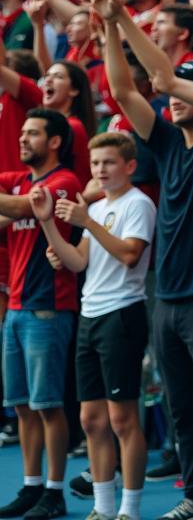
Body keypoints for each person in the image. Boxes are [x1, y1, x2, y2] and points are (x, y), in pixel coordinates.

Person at [88, 0, 193, 520]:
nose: (174, 98)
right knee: (179, 403)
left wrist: (192, 14)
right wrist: (109, 23)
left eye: (184, 92)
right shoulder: (167, 141)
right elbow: (127, 92)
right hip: (167, 290)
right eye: (173, 95)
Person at [29, 132, 155, 520]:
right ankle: (102, 507)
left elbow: (130, 255)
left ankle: (129, 510)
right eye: (96, 163)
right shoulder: (96, 209)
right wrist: (48, 222)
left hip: (123, 312)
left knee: (122, 418)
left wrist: (85, 220)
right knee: (91, 419)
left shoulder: (138, 203)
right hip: (91, 314)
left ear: (129, 166)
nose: (100, 170)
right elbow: (78, 261)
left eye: (109, 162)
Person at [0, 109, 82, 520]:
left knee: (49, 405)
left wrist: (14, 209)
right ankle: (32, 486)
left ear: (54, 141)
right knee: (22, 407)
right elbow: (13, 204)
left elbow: (18, 208)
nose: (22, 138)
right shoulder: (18, 180)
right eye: (23, 132)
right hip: (16, 307)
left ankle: (54, 491)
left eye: (32, 133)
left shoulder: (64, 182)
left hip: (49, 307)